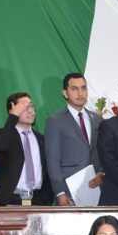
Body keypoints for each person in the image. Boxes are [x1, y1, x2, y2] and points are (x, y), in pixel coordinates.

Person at [44, 72, 104, 207]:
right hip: (69, 193)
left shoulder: (98, 119)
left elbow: (105, 152)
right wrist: (59, 192)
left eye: (83, 88)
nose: (80, 93)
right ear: (65, 93)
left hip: (97, 190)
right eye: (75, 89)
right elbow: (52, 160)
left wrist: (103, 172)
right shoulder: (55, 121)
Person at [0, 92, 53, 206]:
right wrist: (13, 117)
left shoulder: (42, 139)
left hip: (38, 200)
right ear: (12, 110)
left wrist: (47, 197)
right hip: (10, 199)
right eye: (24, 107)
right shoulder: (1, 134)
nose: (30, 111)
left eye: (32, 106)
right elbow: (1, 146)